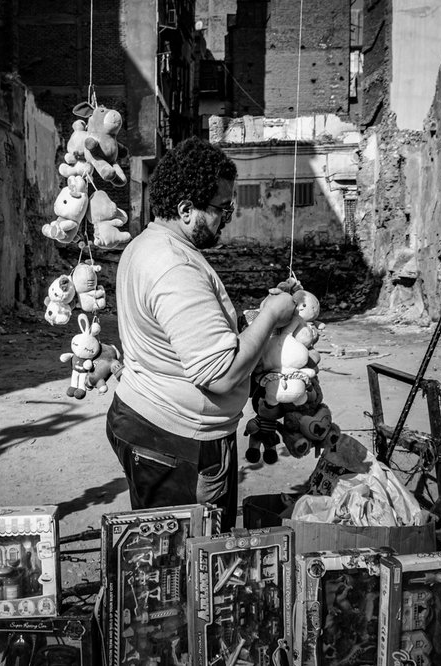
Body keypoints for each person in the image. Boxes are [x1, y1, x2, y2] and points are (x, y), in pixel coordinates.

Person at [107, 137, 299, 530]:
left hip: (152, 423)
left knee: (163, 554)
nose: (227, 217)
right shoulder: (174, 267)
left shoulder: (149, 244)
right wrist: (270, 315)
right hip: (175, 441)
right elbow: (220, 374)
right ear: (185, 210)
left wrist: (246, 328)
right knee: (186, 562)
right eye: (221, 208)